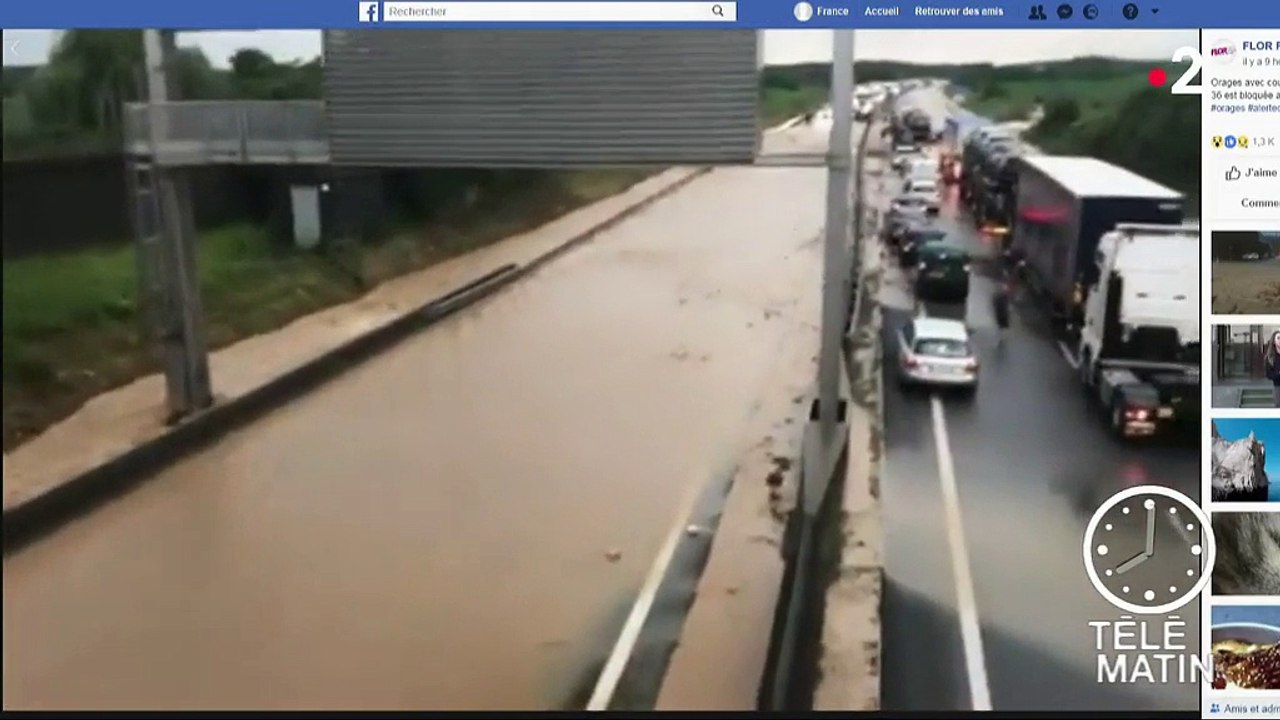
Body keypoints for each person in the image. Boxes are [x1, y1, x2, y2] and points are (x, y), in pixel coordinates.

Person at [1263, 331, 1280, 407]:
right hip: (1278, 387)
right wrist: (1278, 374)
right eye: (1278, 338)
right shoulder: (1270, 357)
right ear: (1274, 341)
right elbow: (1268, 375)